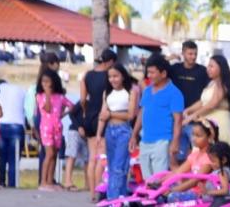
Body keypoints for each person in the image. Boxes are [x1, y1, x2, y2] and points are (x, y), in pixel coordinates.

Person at [133, 54, 183, 180]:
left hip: (162, 142)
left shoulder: (175, 93)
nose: (149, 76)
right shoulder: (147, 90)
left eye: (152, 72)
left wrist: (175, 142)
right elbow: (141, 113)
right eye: (148, 72)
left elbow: (178, 121)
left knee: (159, 180)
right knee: (147, 180)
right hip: (145, 141)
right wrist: (134, 135)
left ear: (163, 73)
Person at [77, 48, 117, 194]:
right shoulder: (109, 76)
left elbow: (82, 99)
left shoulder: (87, 75)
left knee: (92, 156)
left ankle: (92, 192)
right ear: (110, 61)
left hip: (89, 117)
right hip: (102, 117)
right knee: (102, 156)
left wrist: (85, 111)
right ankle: (100, 189)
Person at [95, 65, 136, 199]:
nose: (113, 79)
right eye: (110, 77)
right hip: (109, 131)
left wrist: (111, 114)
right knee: (112, 167)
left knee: (119, 166)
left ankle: (113, 199)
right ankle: (119, 198)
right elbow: (103, 115)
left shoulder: (130, 92)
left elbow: (130, 115)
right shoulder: (107, 93)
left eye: (116, 76)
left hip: (123, 130)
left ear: (123, 76)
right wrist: (99, 134)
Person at [168, 40, 209, 162]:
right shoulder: (175, 69)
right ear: (183, 53)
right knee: (179, 154)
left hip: (195, 118)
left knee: (197, 153)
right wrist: (169, 58)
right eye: (190, 54)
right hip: (177, 118)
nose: (193, 57)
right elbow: (156, 66)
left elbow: (207, 96)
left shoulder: (202, 71)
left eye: (195, 54)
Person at [182, 55, 230, 145]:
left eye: (211, 66)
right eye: (208, 66)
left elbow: (212, 104)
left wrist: (193, 115)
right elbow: (203, 101)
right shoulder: (211, 83)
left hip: (219, 123)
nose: (208, 69)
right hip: (207, 123)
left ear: (221, 68)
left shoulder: (222, 84)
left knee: (217, 150)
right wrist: (188, 110)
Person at [34, 67, 73, 191]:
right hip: (46, 127)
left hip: (57, 127)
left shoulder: (60, 97)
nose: (45, 84)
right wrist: (47, 94)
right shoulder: (40, 96)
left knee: (54, 154)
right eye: (43, 82)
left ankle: (50, 180)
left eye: (47, 81)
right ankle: (43, 181)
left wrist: (62, 114)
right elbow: (47, 109)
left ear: (53, 82)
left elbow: (71, 106)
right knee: (49, 153)